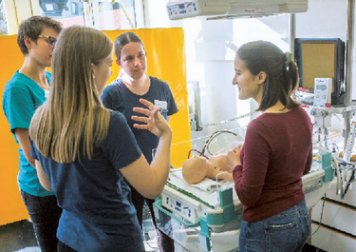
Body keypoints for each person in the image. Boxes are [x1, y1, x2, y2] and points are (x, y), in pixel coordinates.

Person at [28, 26, 173, 252]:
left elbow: (47, 183)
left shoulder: (40, 119)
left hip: (69, 239)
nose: (111, 70)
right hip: (113, 241)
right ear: (91, 69)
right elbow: (152, 188)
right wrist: (165, 137)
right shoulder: (108, 122)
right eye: (108, 62)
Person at [225, 41, 312, 252]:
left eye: (238, 72)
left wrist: (236, 165)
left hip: (268, 228)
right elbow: (305, 168)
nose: (233, 80)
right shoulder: (302, 115)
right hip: (299, 217)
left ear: (261, 77)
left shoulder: (260, 127)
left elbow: (248, 196)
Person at [101, 32, 178, 252]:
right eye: (129, 59)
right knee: (130, 233)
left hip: (159, 170)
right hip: (127, 177)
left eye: (141, 55)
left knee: (166, 228)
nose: (137, 63)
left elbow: (164, 132)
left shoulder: (162, 88)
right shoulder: (111, 95)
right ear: (118, 62)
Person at [2, 16, 62, 252]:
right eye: (50, 40)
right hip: (40, 186)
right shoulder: (17, 88)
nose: (55, 48)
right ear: (28, 41)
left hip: (61, 178)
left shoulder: (49, 79)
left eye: (58, 41)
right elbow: (31, 153)